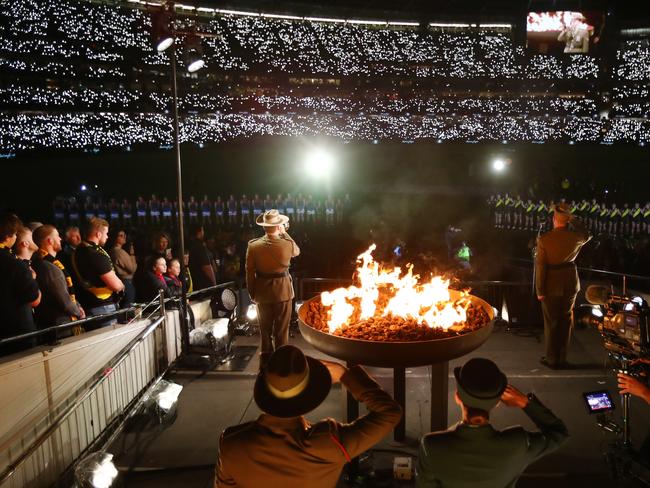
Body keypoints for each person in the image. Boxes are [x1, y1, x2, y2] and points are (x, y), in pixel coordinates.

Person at [216, 345, 402, 487]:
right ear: (308, 393)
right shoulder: (328, 443)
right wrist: (347, 376)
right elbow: (389, 412)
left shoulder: (232, 444)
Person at [416, 358, 568, 488]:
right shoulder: (518, 444)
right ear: (497, 403)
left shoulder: (431, 446)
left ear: (457, 397)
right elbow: (558, 433)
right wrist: (525, 402)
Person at [535, 203, 591, 369]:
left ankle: (552, 359)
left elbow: (541, 267)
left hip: (550, 284)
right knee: (566, 321)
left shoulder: (544, 240)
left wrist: (540, 290)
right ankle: (562, 358)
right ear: (567, 221)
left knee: (551, 322)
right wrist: (572, 218)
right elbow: (587, 234)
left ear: (553, 219)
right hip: (570, 282)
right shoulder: (575, 238)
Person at [246, 210, 300, 367]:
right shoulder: (287, 244)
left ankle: (265, 365)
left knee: (265, 332)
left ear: (264, 227)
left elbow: (249, 272)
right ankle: (281, 365)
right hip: (282, 292)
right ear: (278, 226)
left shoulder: (253, 246)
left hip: (262, 293)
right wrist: (285, 234)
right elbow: (297, 251)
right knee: (281, 331)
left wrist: (252, 293)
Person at [0, 213, 41, 354]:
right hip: (18, 336)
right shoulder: (15, 264)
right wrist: (33, 278)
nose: (16, 237)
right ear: (8, 236)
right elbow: (34, 300)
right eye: (15, 234)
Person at [32, 225, 85, 331]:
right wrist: (78, 311)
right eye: (57, 236)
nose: (60, 238)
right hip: (61, 324)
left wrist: (77, 305)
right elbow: (64, 300)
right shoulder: (49, 267)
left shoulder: (44, 263)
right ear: (50, 241)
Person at [72, 218, 124, 323]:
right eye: (106, 233)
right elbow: (115, 285)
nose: (107, 236)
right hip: (103, 308)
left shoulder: (78, 251)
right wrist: (122, 285)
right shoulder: (95, 254)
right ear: (98, 234)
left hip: (88, 304)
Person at [110, 229, 137, 308]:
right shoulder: (119, 252)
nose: (124, 237)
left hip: (123, 282)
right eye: (121, 236)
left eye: (124, 235)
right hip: (126, 282)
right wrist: (132, 255)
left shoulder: (115, 251)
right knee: (128, 307)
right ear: (115, 238)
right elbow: (132, 268)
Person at [188, 224, 216, 290]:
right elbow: (206, 267)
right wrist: (214, 284)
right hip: (204, 284)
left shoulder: (190, 244)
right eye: (203, 230)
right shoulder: (199, 246)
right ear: (199, 232)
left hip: (196, 282)